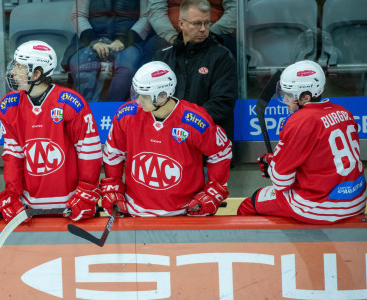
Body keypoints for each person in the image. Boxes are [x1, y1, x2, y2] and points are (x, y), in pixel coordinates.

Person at [238, 60, 366, 224]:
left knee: (249, 204)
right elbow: (323, 160)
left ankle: (270, 250)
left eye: (289, 95)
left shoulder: (300, 121)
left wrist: (273, 166)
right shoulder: (344, 112)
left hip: (322, 206)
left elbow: (282, 183)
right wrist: (276, 161)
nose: (285, 99)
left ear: (306, 97)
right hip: (357, 200)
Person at [101, 61, 232, 216]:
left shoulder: (195, 121)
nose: (138, 101)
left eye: (144, 96)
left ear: (163, 96)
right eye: (136, 94)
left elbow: (221, 153)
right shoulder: (126, 115)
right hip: (135, 211)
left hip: (185, 213)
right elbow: (114, 153)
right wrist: (113, 187)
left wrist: (213, 191)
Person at [0, 40, 103, 223]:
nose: (12, 72)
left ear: (36, 73)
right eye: (15, 65)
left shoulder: (71, 103)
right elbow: (13, 154)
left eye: (20, 67)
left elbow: (89, 152)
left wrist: (86, 192)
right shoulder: (8, 105)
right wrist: (13, 194)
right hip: (30, 207)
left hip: (71, 205)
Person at [153, 0, 237, 160]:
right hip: (168, 148)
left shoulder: (222, 56)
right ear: (181, 24)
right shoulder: (162, 57)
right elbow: (151, 100)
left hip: (207, 152)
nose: (203, 29)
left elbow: (222, 103)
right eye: (197, 23)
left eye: (207, 23)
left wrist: (184, 126)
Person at [62, 0, 152, 102]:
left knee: (127, 70)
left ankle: (113, 109)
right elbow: (78, 16)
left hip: (130, 40)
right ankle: (89, 108)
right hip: (91, 38)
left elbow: (146, 17)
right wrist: (94, 41)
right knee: (80, 65)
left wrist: (125, 41)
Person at [148, 0, 237, 56]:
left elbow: (235, 11)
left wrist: (208, 34)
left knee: (228, 46)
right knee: (153, 45)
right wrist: (173, 38)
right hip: (173, 33)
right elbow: (156, 11)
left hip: (213, 32)